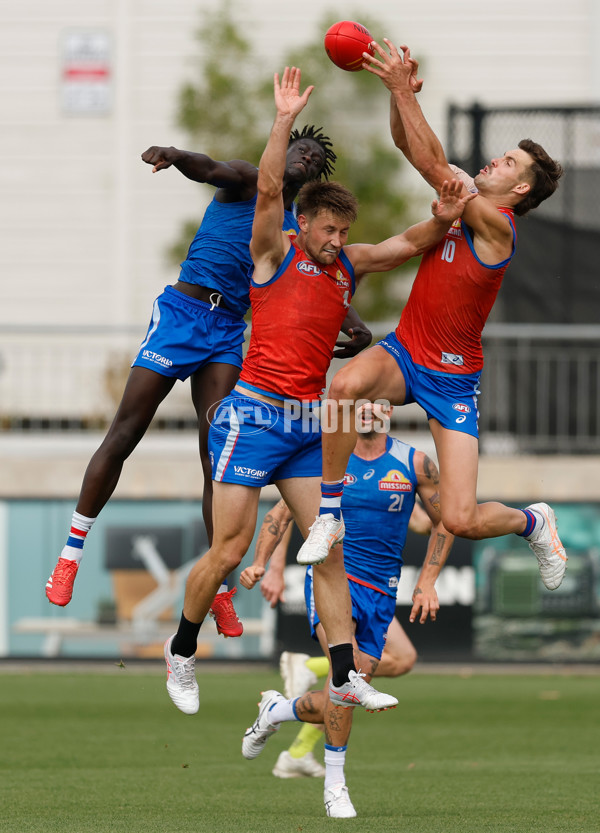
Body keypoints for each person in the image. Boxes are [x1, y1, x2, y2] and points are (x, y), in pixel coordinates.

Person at [162, 66, 473, 720]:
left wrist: (442, 217)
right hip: (250, 418)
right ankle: (182, 647)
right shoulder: (272, 254)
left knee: (327, 546)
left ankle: (344, 673)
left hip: (306, 423)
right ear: (303, 223)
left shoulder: (346, 267)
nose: (336, 241)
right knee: (227, 550)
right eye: (328, 230)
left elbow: (407, 244)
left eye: (341, 231)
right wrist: (282, 120)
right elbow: (269, 183)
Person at [43, 121, 368, 634]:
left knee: (213, 455)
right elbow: (209, 167)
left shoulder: (293, 231)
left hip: (226, 331)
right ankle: (70, 553)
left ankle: (217, 587)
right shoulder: (245, 179)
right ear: (278, 149)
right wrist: (174, 154)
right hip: (182, 315)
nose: (302, 158)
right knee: (126, 431)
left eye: (311, 157)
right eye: (296, 148)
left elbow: (327, 279)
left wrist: (357, 327)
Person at [298, 40, 568, 594]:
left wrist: (399, 87)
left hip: (452, 377)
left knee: (459, 519)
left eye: (511, 163)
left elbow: (426, 161)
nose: (498, 159)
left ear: (519, 190)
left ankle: (533, 521)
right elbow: (408, 145)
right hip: (405, 351)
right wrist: (398, 99)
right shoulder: (463, 190)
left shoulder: (498, 228)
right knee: (344, 385)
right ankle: (330, 512)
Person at [239, 402, 453, 818]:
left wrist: (427, 581)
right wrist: (263, 563)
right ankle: (336, 786)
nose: (370, 409)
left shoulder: (415, 462)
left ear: (389, 409)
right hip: (332, 578)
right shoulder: (327, 459)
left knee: (347, 693)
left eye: (378, 401)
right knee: (348, 673)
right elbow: (281, 513)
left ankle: (277, 710)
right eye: (362, 403)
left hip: (381, 591)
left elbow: (444, 521)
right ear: (351, 410)